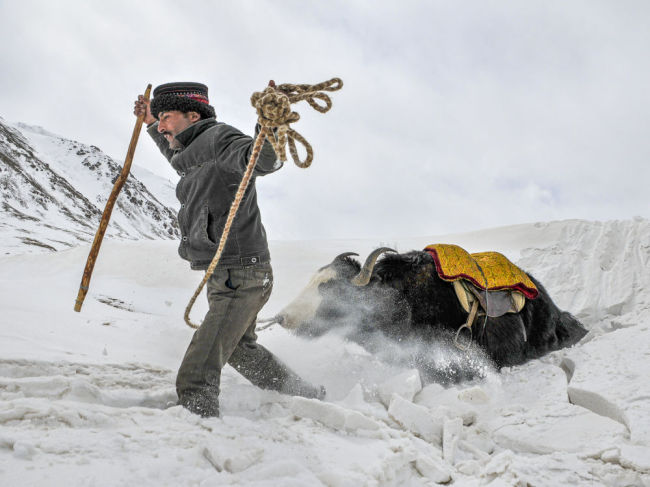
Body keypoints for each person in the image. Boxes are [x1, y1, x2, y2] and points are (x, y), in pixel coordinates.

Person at [134, 82, 324, 417]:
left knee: (205, 355)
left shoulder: (220, 139)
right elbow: (177, 159)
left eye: (167, 117)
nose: (163, 126)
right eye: (160, 119)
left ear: (193, 115)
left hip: (242, 273)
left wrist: (271, 125)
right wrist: (151, 123)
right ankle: (304, 395)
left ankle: (196, 416)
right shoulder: (189, 149)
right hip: (226, 270)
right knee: (238, 348)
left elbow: (261, 160)